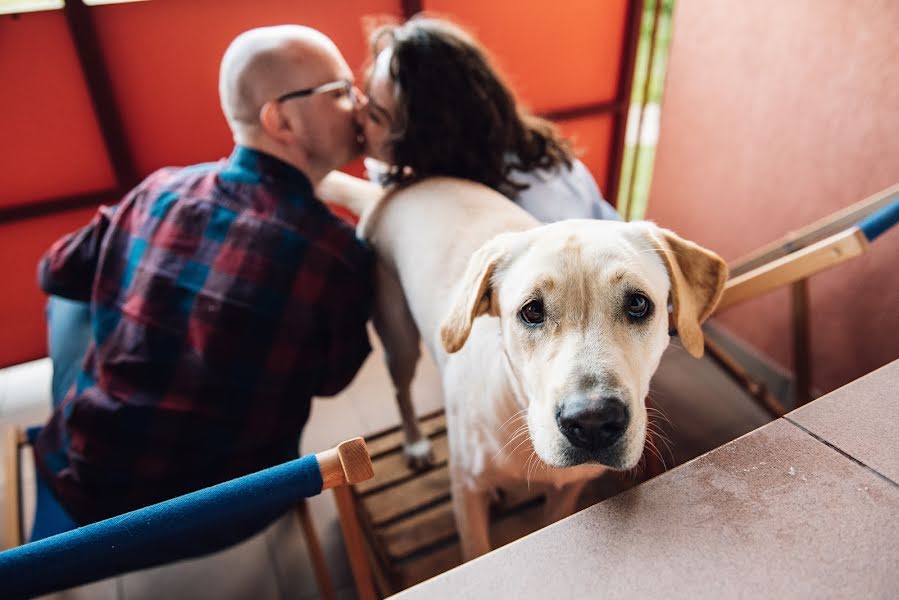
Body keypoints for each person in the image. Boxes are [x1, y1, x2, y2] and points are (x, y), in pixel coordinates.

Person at [32, 25, 374, 526]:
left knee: (74, 294)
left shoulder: (161, 188)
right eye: (341, 92)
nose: (360, 104)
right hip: (232, 506)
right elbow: (333, 379)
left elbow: (55, 270)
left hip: (82, 476)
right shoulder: (336, 253)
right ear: (280, 119)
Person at [325, 15, 619, 223]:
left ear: (428, 143)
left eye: (376, 115)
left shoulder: (529, 215)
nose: (357, 112)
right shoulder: (492, 159)